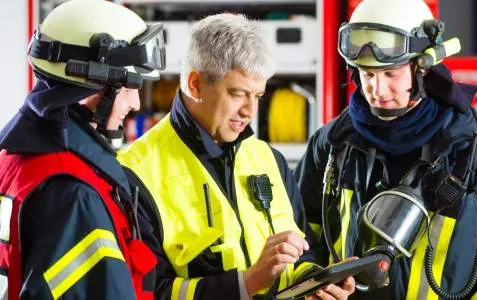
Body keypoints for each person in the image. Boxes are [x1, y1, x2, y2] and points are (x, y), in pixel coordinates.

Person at [295, 0, 477, 299]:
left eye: (390, 74)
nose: (376, 90)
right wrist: (310, 282)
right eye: (367, 74)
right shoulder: (332, 144)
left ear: (424, 68)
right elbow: (298, 237)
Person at [118, 13, 355, 300]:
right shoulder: (134, 174)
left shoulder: (269, 160)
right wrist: (247, 283)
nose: (250, 111)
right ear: (195, 84)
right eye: (238, 94)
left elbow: (304, 251)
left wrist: (315, 282)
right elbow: (148, 293)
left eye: (258, 96)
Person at [0, 0, 167, 298]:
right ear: (92, 85)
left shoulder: (15, 159)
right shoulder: (75, 194)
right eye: (129, 87)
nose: (136, 104)